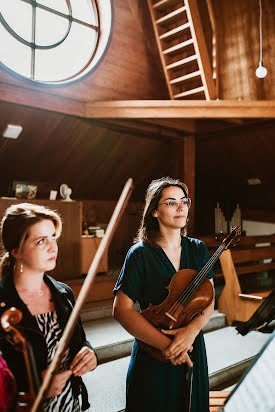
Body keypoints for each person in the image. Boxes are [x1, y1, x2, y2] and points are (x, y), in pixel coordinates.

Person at [113, 177, 215, 412]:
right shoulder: (139, 254)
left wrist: (191, 332)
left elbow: (208, 300)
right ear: (154, 212)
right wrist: (167, 346)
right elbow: (122, 310)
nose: (181, 207)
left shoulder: (197, 248)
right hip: (153, 348)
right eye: (171, 202)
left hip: (192, 345)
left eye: (184, 201)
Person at [0, 203, 97, 411]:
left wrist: (88, 352)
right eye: (41, 241)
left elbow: (80, 339)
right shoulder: (3, 302)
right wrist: (33, 386)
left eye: (53, 237)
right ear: (16, 250)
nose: (53, 247)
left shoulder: (63, 293)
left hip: (70, 403)